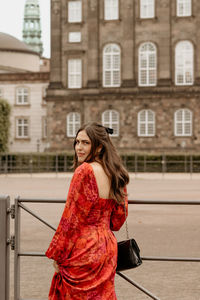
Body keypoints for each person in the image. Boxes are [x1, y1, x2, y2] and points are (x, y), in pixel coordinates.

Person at [45, 122, 129, 300]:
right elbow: (118, 220)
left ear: (99, 147)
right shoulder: (116, 172)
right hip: (107, 246)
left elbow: (71, 219)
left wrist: (58, 254)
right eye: (77, 142)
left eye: (85, 143)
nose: (79, 148)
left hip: (84, 248)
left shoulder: (84, 171)